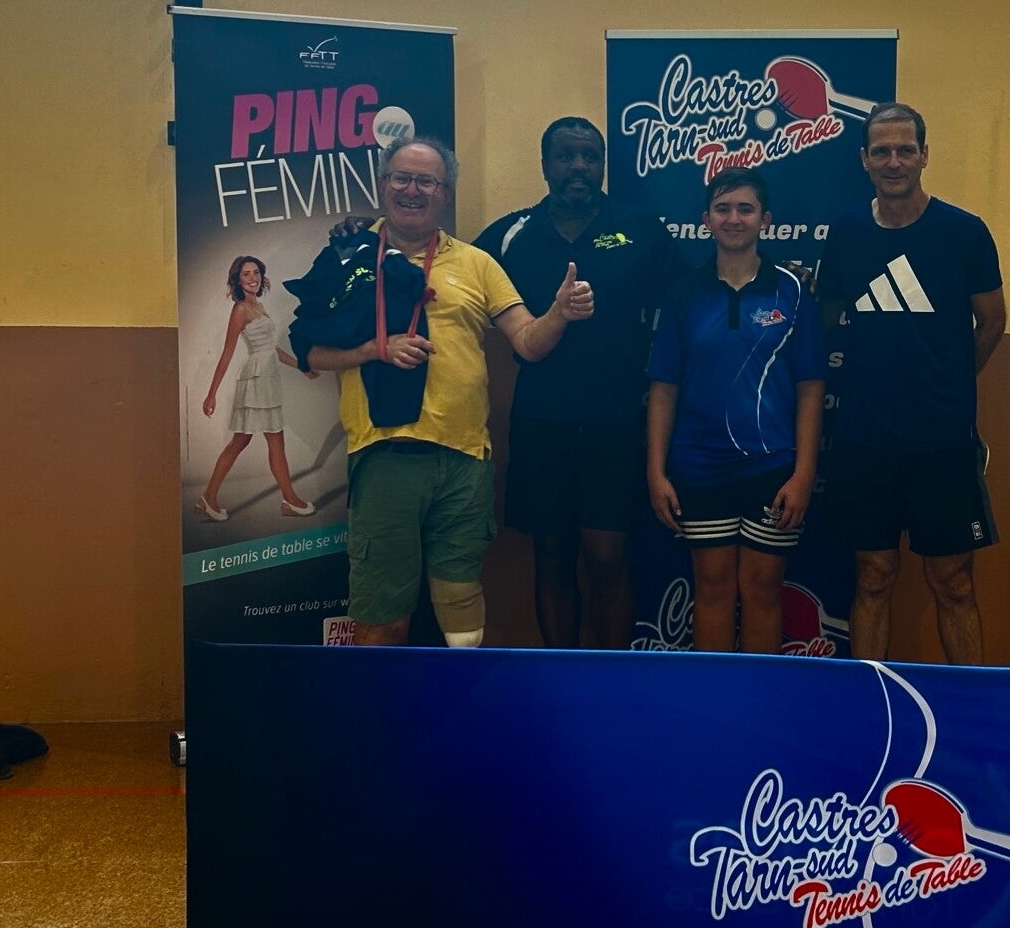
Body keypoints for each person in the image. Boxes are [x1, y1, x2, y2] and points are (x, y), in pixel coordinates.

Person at [302, 139, 593, 649]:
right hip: (386, 456)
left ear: (445, 194)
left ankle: (456, 702)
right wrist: (373, 350)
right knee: (382, 618)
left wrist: (559, 313)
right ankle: (378, 707)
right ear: (382, 185)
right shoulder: (347, 256)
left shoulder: (477, 263)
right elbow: (308, 353)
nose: (412, 190)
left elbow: (528, 342)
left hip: (465, 462)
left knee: (462, 620)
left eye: (427, 181)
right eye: (401, 177)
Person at [475, 118, 676, 650]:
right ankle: (561, 676)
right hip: (541, 421)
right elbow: (444, 269)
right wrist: (368, 235)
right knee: (552, 556)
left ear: (603, 164)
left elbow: (692, 296)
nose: (579, 167)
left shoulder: (640, 228)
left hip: (617, 421)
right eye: (566, 156)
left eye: (590, 156)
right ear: (545, 165)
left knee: (608, 557)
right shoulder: (511, 234)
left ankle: (613, 679)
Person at [816, 103, 1006, 665]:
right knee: (873, 577)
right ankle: (871, 700)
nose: (893, 161)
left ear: (925, 155)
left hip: (941, 442)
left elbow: (993, 322)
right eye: (882, 151)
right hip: (864, 440)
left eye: (905, 150)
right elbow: (828, 317)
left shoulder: (965, 232)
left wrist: (948, 382)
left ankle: (969, 705)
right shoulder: (846, 234)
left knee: (954, 583)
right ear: (864, 159)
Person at [647, 168, 825, 654]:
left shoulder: (793, 291)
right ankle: (716, 696)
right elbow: (664, 388)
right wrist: (656, 473)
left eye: (745, 209)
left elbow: (811, 388)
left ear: (765, 220)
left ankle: (757, 695)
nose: (733, 218)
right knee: (712, 587)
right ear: (706, 220)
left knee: (764, 589)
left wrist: (804, 474)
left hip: (772, 466)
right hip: (699, 466)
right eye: (722, 208)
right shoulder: (684, 293)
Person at [195, 255, 319, 521]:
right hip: (255, 381)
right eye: (246, 274)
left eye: (256, 273)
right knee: (257, 441)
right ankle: (289, 499)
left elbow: (271, 349)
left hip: (267, 379)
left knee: (254, 441)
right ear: (238, 281)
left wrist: (301, 367)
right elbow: (227, 353)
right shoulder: (240, 309)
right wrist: (211, 394)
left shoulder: (259, 306)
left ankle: (210, 497)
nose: (253, 278)